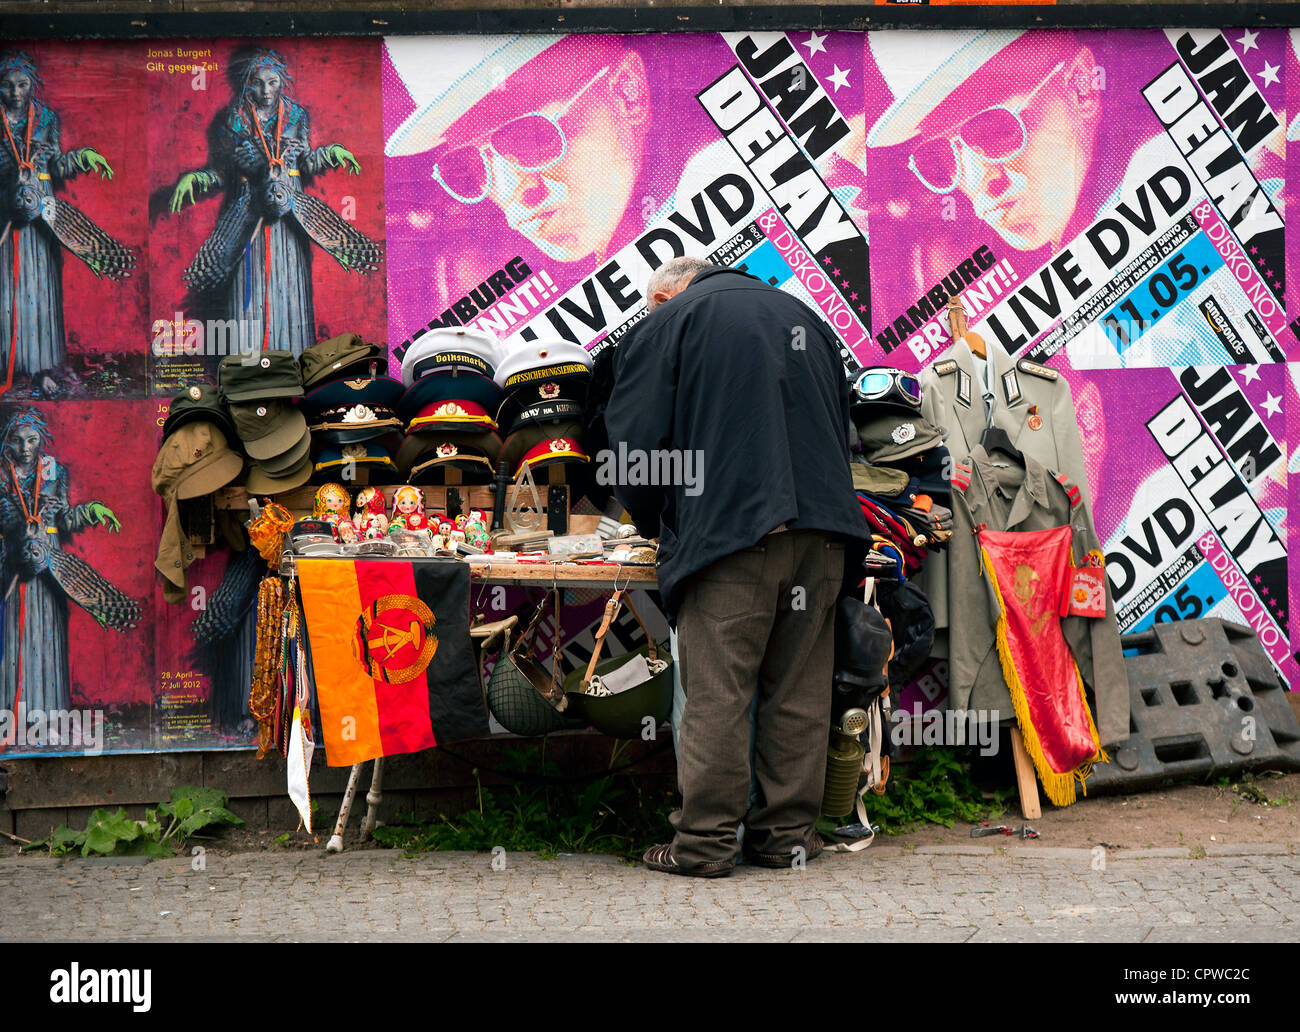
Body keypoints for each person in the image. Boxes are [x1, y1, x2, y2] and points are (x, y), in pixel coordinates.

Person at [604, 256, 867, 877]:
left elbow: (634, 447)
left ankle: (705, 844)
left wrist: (654, 521)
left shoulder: (670, 323)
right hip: (825, 531)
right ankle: (785, 840)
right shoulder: (806, 318)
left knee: (718, 694)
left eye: (649, 307)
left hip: (734, 535)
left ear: (667, 296)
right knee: (799, 693)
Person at [169, 47, 382, 356]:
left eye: (272, 82)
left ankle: (293, 362)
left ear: (282, 81)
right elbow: (222, 172)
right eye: (257, 82)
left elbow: (306, 163)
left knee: (289, 285)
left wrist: (331, 154)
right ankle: (248, 368)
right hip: (247, 215)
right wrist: (197, 179)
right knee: (249, 287)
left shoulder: (296, 117)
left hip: (290, 215)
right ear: (246, 83)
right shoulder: (234, 120)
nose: (265, 91)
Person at [0, 50, 134, 397]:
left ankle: (39, 368)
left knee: (40, 288)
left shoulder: (45, 119)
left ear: (33, 85)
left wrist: (81, 158)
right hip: (4, 208)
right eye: (8, 85)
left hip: (42, 213)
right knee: (4, 289)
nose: (15, 93)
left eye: (22, 84)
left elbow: (56, 167)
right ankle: (7, 365)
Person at [0, 407, 133, 722]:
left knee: (45, 636)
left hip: (52, 567)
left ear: (41, 439)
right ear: (7, 442)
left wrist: (90, 512)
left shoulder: (53, 470)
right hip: (12, 567)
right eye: (17, 441)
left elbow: (63, 520)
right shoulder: (2, 473)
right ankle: (9, 716)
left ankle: (47, 716)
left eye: (32, 440)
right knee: (11, 638)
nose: (25, 449)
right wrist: (20, 524)